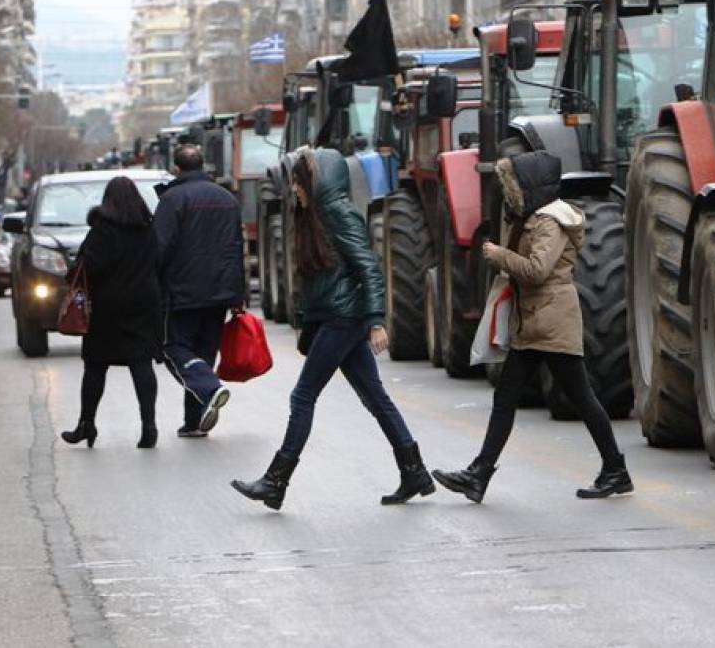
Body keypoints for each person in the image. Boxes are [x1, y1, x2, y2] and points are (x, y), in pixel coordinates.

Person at [231, 147, 432, 510]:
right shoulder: (317, 216)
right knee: (375, 397)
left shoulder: (338, 213)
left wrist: (375, 321)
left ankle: (276, 481)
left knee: (302, 396)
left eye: (298, 181)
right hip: (336, 316)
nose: (293, 189)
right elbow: (319, 280)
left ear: (316, 181)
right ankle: (414, 470)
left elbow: (367, 268)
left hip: (346, 317)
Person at [431, 151, 633, 502]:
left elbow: (538, 270)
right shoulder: (533, 217)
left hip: (551, 320)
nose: (511, 192)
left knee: (582, 398)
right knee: (507, 397)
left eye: (515, 185)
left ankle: (615, 469)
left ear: (531, 186)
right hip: (535, 321)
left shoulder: (550, 221)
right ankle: (479, 474)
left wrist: (500, 256)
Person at [61, 177, 163, 449]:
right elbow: (160, 263)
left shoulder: (102, 231)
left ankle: (86, 424)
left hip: (108, 306)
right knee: (141, 364)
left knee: (95, 365)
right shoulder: (148, 229)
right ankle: (149, 426)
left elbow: (88, 267)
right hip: (144, 303)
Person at [153, 146, 245, 437]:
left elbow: (160, 247)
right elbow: (235, 249)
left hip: (182, 292)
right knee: (203, 355)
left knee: (173, 348)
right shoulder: (226, 199)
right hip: (219, 291)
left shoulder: (172, 199)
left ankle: (209, 389)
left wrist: (152, 285)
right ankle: (193, 421)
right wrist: (238, 295)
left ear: (176, 168)